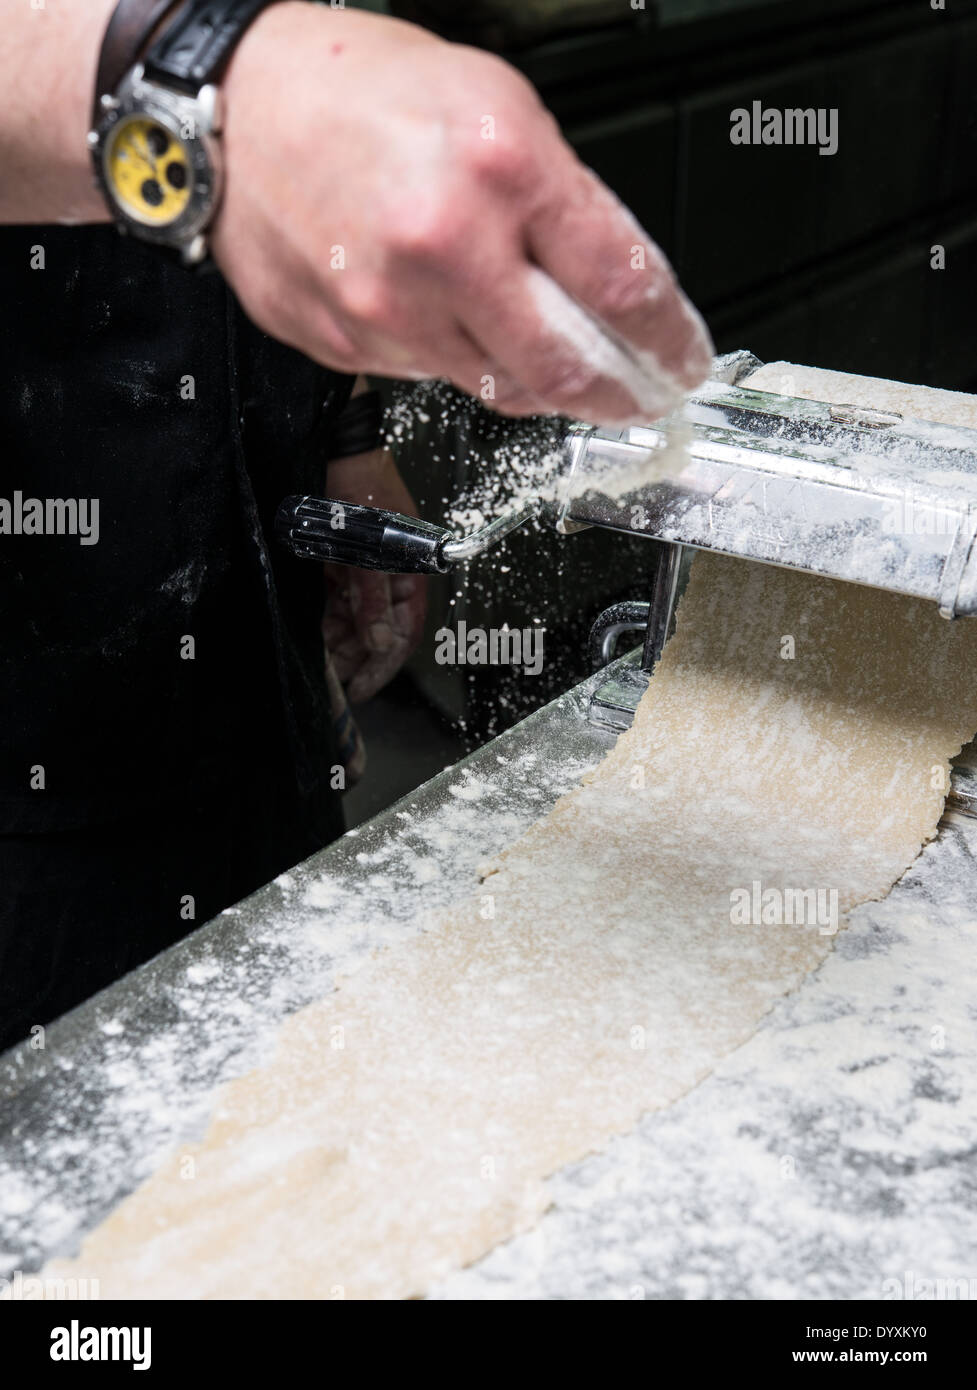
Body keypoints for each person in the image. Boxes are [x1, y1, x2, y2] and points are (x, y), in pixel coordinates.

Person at [0, 0, 713, 1054]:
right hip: (36, 712)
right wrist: (197, 84)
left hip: (245, 647)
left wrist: (342, 422)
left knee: (276, 1072)